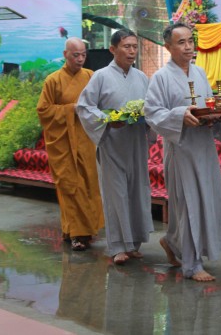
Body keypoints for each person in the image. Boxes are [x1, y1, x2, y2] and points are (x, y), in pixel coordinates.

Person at [144, 22, 221, 282]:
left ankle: (172, 241)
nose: (188, 46)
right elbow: (152, 113)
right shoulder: (161, 77)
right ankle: (191, 265)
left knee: (204, 199)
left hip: (204, 147)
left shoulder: (199, 72)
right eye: (181, 42)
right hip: (180, 148)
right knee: (188, 201)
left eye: (191, 41)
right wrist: (180, 115)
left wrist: (217, 118)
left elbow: (207, 106)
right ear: (168, 47)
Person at [77, 30, 154, 265]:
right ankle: (118, 246)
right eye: (126, 46)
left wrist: (146, 116)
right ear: (113, 49)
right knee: (116, 193)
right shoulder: (100, 76)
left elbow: (151, 106)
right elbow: (84, 107)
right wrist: (108, 119)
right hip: (112, 143)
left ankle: (134, 243)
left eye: (134, 47)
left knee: (137, 191)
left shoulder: (141, 77)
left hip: (135, 142)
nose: (132, 51)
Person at [37, 38, 105, 252]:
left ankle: (79, 229)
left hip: (86, 140)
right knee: (70, 186)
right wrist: (70, 109)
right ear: (65, 54)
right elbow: (43, 111)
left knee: (89, 186)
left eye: (83, 54)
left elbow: (101, 103)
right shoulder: (53, 80)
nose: (80, 59)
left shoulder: (91, 77)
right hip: (63, 143)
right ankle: (78, 234)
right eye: (76, 55)